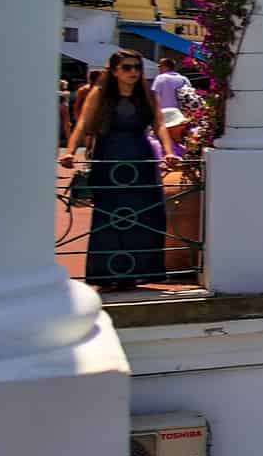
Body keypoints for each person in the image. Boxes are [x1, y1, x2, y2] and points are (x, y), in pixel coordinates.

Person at [60, 49, 177, 289]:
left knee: (146, 214)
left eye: (137, 67)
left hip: (141, 157)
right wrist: (71, 150)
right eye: (127, 67)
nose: (133, 72)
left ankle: (139, 271)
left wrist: (168, 152)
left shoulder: (147, 94)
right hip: (110, 155)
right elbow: (82, 123)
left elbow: (159, 125)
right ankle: (108, 272)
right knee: (111, 214)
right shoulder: (100, 94)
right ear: (113, 71)